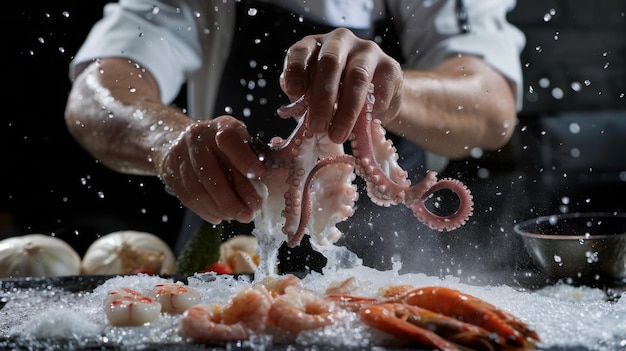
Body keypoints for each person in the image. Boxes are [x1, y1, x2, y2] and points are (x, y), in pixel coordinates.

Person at [65, 0, 525, 274]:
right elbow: (94, 94)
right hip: (226, 259)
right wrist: (171, 142)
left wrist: (391, 92)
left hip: (397, 264)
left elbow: (491, 104)